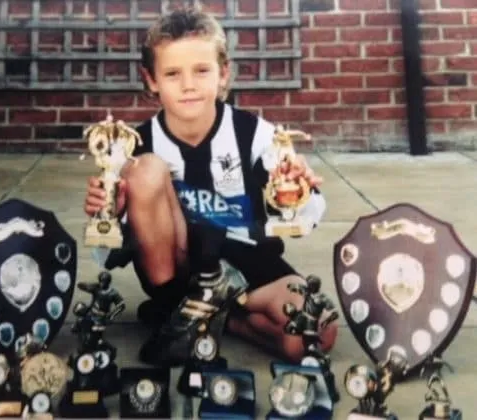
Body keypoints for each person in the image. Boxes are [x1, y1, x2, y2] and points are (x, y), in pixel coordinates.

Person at [83, 5, 338, 364]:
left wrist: (298, 190)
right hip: (178, 269)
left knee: (318, 332)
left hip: (246, 264)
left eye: (201, 70)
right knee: (146, 170)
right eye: (172, 73)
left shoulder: (258, 135)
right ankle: (176, 304)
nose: (188, 85)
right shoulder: (132, 147)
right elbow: (109, 252)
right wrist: (112, 210)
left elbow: (300, 217)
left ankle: (215, 318)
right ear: (152, 80)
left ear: (223, 73)